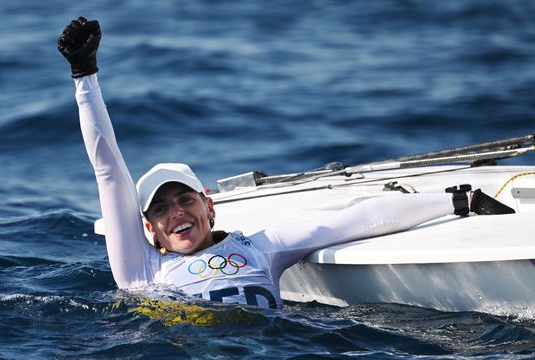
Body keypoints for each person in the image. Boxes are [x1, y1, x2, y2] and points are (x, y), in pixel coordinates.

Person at [58, 17, 514, 310]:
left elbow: (355, 220)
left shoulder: (260, 248)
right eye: (161, 209)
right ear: (148, 230)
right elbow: (109, 170)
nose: (176, 212)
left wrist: (458, 201)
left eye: (184, 199)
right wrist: (85, 75)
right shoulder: (141, 270)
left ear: (209, 205)